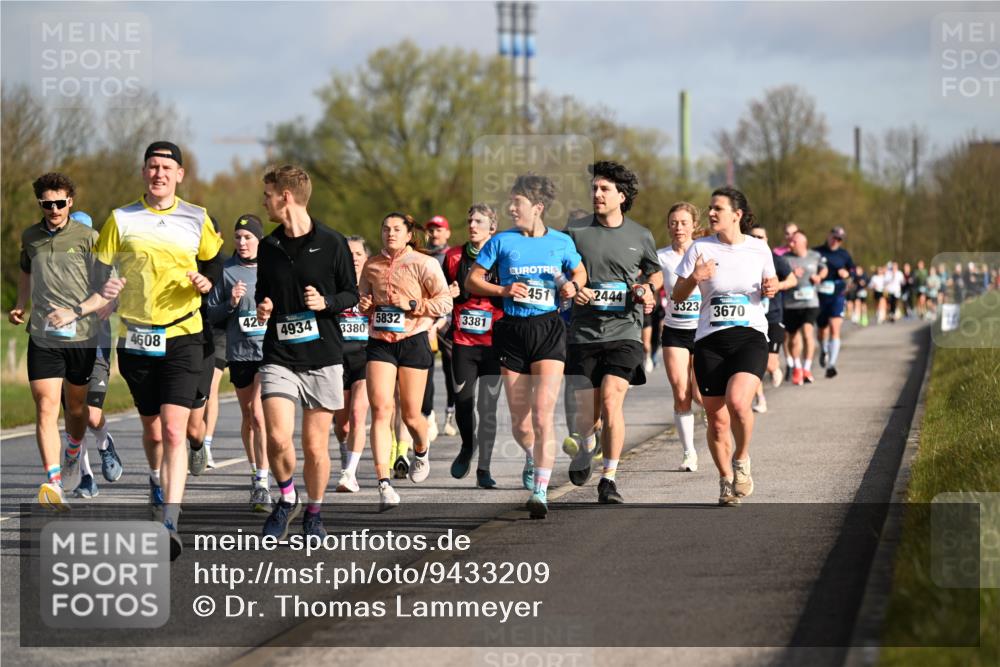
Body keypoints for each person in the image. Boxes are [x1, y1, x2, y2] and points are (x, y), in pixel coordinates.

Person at [49, 143, 224, 559]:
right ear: (143, 172)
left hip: (183, 333)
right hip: (136, 338)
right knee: (153, 431)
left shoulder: (196, 217)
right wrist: (102, 291)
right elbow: (98, 271)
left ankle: (170, 520)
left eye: (167, 167)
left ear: (180, 174)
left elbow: (215, 263)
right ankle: (154, 476)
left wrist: (205, 281)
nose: (159, 174)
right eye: (152, 167)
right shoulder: (121, 219)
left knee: (175, 429)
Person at [466, 173, 585, 518]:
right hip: (513, 331)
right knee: (521, 422)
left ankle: (541, 491)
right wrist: (503, 291)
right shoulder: (501, 242)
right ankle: (532, 457)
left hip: (547, 328)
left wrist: (572, 287)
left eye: (516, 203)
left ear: (537, 207)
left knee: (544, 414)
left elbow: (579, 274)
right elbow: (473, 279)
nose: (511, 208)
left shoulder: (560, 242)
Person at [254, 165, 359, 540]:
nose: (263, 202)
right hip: (279, 352)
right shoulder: (268, 247)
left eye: (267, 195)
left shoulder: (332, 242)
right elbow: (261, 292)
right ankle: (286, 498)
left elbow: (352, 294)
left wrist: (326, 302)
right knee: (278, 437)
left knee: (315, 446)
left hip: (322, 355)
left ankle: (314, 511)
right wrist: (263, 307)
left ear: (286, 197)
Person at [562, 161, 661, 504]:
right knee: (586, 417)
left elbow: (654, 273)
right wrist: (574, 286)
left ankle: (610, 480)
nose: (597, 194)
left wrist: (648, 289)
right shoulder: (574, 232)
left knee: (611, 400)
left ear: (622, 195)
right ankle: (586, 446)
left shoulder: (640, 235)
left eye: (604, 189)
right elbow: (559, 271)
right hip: (584, 334)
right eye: (594, 188)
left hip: (625, 331)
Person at [672, 187, 777, 506]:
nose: (712, 213)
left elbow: (769, 285)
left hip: (750, 336)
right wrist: (695, 277)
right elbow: (677, 295)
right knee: (716, 420)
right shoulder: (699, 248)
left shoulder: (759, 249)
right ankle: (724, 480)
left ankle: (741, 460)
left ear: (737, 214)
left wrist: (771, 287)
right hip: (709, 341)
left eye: (718, 208)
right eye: (710, 208)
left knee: (738, 402)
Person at [11, 173, 100, 510]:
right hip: (43, 335)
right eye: (47, 204)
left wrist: (82, 310)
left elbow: (106, 283)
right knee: (46, 406)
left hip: (81, 337)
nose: (53, 209)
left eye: (59, 203)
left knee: (76, 409)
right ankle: (54, 482)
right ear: (40, 204)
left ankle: (74, 450)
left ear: (70, 202)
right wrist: (21, 303)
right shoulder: (30, 236)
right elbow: (25, 269)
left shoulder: (88, 236)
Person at [359, 213, 452, 509]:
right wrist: (365, 305)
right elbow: (363, 302)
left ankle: (421, 450)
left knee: (411, 415)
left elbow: (444, 302)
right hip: (380, 342)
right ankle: (383, 483)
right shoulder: (371, 264)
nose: (390, 233)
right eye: (385, 228)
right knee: (381, 410)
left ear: (409, 234)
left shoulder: (425, 264)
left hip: (413, 340)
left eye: (397, 229)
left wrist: (413, 305)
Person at [207, 214, 271, 512]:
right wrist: (230, 303)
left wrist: (272, 309)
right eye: (238, 237)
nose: (242, 243)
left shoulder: (273, 268)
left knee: (258, 414)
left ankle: (262, 480)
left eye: (248, 238)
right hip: (239, 352)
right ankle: (255, 467)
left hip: (268, 351)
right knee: (248, 415)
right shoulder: (227, 270)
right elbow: (211, 314)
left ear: (259, 239)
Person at [444, 205, 505, 488]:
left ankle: (484, 469)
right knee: (463, 403)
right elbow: (439, 294)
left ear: (492, 228)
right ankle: (468, 446)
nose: (472, 225)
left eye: (479, 221)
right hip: (463, 343)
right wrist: (449, 294)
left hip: (494, 343)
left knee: (488, 407)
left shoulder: (504, 256)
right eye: (469, 220)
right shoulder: (453, 256)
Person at [65, 211, 124, 498]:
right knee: (75, 415)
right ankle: (87, 477)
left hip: (97, 347)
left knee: (91, 415)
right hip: (65, 350)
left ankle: (104, 443)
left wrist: (110, 305)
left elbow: (120, 294)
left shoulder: (103, 268)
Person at [657, 202, 705, 472]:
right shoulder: (662, 256)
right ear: (668, 226)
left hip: (703, 331)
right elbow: (651, 281)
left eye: (684, 223)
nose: (679, 228)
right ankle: (689, 452)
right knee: (682, 393)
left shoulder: (705, 253)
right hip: (675, 330)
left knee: (700, 393)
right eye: (674, 223)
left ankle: (710, 413)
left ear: (694, 226)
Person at [332, 235, 372, 494]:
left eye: (358, 253)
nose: (354, 258)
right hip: (337, 357)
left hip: (366, 355)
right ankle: (344, 450)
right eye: (349, 253)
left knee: (359, 413)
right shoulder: (334, 283)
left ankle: (350, 473)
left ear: (366, 258)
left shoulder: (375, 284)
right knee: (342, 424)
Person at [749, 224, 796, 413]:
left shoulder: (776, 260)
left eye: (761, 237)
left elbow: (793, 280)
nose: (757, 240)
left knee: (769, 363)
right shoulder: (743, 259)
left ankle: (775, 369)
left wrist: (778, 286)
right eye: (753, 237)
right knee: (753, 363)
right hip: (751, 318)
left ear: (767, 240)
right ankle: (760, 399)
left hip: (774, 317)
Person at [421, 214, 457, 441]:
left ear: (447, 232)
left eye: (439, 229)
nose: (435, 234)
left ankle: (451, 415)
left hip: (449, 322)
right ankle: (428, 416)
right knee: (426, 371)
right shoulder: (419, 256)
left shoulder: (453, 257)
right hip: (426, 320)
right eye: (431, 230)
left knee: (452, 371)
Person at [782, 231, 826, 385]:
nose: (790, 243)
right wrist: (791, 274)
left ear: (803, 243)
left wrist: (819, 277)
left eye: (794, 241)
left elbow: (824, 268)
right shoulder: (785, 258)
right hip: (791, 303)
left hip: (810, 302)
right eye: (790, 241)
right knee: (793, 338)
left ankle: (807, 368)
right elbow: (778, 275)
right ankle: (797, 367)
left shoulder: (814, 256)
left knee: (808, 332)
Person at [815, 226, 855, 378]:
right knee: (822, 330)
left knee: (835, 328)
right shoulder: (817, 252)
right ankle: (823, 349)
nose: (836, 241)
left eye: (839, 239)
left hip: (838, 294)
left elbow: (853, 271)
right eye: (834, 237)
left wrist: (847, 273)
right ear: (829, 235)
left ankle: (831, 364)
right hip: (820, 296)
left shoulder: (844, 255)